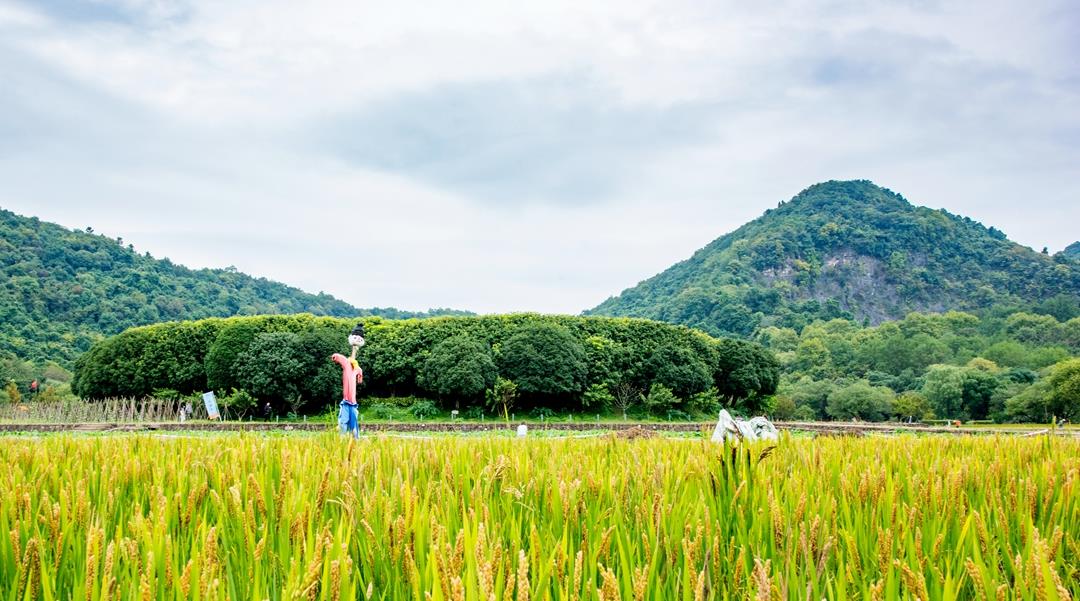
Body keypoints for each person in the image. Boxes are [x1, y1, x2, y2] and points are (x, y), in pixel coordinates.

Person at [332, 324, 366, 439]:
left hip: (353, 403)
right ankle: (342, 441)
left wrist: (359, 375)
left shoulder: (356, 369)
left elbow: (359, 372)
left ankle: (355, 441)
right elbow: (338, 358)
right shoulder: (347, 364)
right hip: (346, 402)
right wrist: (336, 357)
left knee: (354, 426)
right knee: (343, 423)